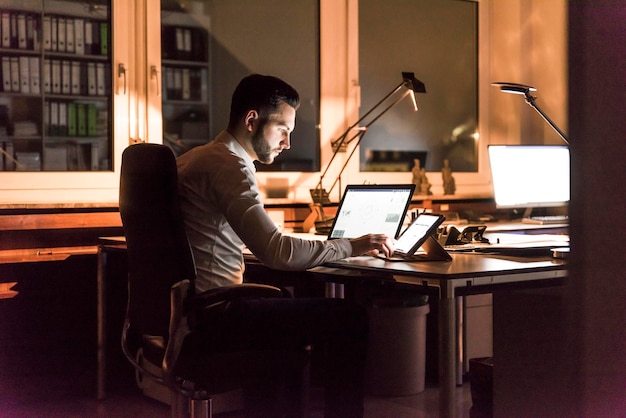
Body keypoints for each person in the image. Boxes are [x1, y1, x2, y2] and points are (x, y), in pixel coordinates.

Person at [176, 74, 394, 417]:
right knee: (349, 317)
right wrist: (352, 246)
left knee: (284, 308)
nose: (288, 143)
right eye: (282, 129)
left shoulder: (193, 159)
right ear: (251, 120)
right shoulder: (229, 166)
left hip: (186, 312)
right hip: (214, 317)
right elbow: (277, 251)